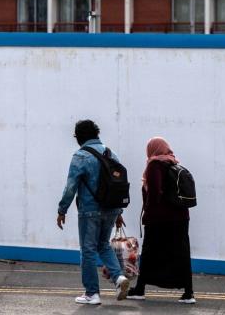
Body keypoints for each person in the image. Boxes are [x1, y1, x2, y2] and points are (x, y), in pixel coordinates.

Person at [57, 119, 131, 305]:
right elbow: (118, 185)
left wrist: (62, 209)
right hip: (112, 208)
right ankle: (119, 278)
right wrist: (119, 212)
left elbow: (70, 186)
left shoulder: (80, 156)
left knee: (88, 250)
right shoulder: (111, 153)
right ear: (96, 133)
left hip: (90, 210)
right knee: (103, 245)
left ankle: (92, 293)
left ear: (79, 137)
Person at [127, 137, 195, 304]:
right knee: (181, 254)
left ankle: (140, 289)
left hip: (160, 219)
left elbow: (155, 193)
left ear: (152, 150)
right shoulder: (172, 163)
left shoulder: (154, 165)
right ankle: (188, 293)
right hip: (181, 218)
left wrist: (147, 214)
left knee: (149, 253)